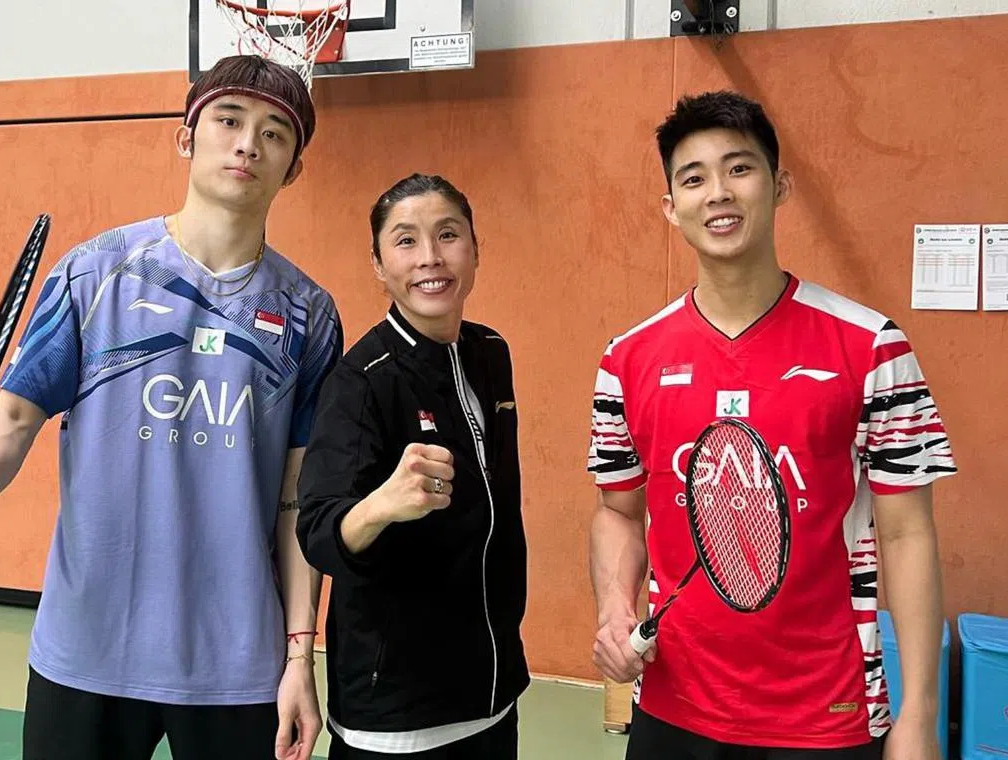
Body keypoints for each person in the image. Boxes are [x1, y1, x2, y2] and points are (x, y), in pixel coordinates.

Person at [0, 54, 341, 760]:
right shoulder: (95, 272)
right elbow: (14, 416)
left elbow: (297, 497)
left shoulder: (309, 314)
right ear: (185, 137)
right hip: (87, 647)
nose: (248, 144)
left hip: (236, 662)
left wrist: (298, 657)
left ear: (294, 168)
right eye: (228, 120)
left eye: (273, 133)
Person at [587, 91, 957, 760]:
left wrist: (919, 715)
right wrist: (615, 610)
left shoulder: (873, 347)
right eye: (693, 178)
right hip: (672, 707)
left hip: (828, 714)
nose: (718, 193)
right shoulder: (627, 359)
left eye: (740, 168)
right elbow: (618, 511)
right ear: (671, 207)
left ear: (780, 185)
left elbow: (907, 534)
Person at [294, 173, 529, 759]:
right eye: (405, 240)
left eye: (447, 234)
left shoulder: (490, 353)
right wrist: (380, 505)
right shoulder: (360, 381)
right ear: (378, 264)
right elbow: (318, 531)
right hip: (395, 717)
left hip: (492, 693)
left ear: (474, 249)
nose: (430, 257)